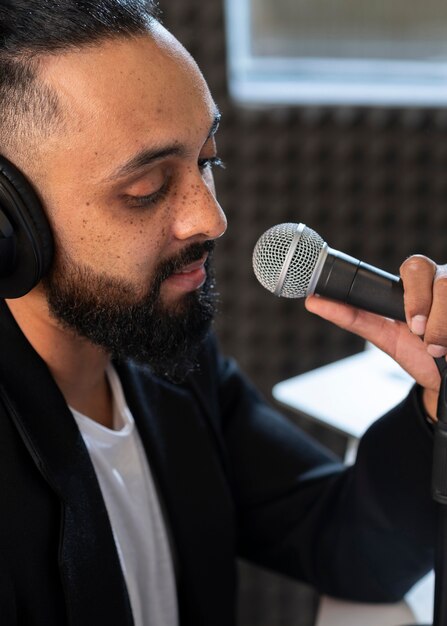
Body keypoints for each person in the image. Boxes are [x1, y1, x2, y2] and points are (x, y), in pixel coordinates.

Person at [0, 1, 445, 625]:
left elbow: (347, 544)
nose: (212, 217)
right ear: (10, 224)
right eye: (146, 190)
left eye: (207, 159)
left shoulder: (164, 363)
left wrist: (434, 405)